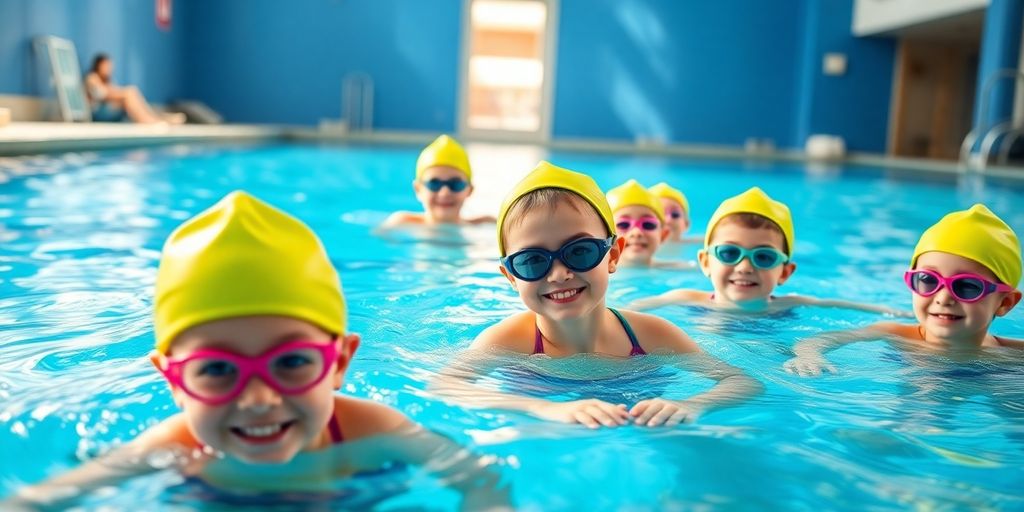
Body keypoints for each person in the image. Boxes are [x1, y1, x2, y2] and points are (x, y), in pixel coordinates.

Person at [6, 192, 508, 510]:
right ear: (172, 379)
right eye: (217, 370)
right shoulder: (175, 447)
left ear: (338, 363)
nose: (259, 399)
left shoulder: (374, 429)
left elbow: (477, 479)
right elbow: (40, 499)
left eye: (291, 362)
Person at [430, 162, 761, 428]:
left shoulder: (651, 335)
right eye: (532, 261)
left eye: (580, 251)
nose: (559, 274)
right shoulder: (509, 340)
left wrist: (691, 404)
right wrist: (542, 408)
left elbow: (741, 382)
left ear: (613, 255)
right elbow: (444, 385)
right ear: (511, 277)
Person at [784, 204, 1024, 376]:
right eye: (928, 280)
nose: (943, 298)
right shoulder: (894, 334)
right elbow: (820, 340)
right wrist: (809, 355)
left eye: (967, 286)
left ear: (1005, 302)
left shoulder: (1011, 354)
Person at [628, 187, 909, 316]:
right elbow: (628, 311)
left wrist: (895, 312)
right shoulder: (684, 300)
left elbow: (840, 305)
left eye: (763, 257)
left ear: (785, 272)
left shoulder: (787, 306)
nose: (744, 267)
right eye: (729, 253)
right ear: (705, 262)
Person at [381, 135, 495, 228]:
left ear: (470, 190)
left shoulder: (486, 226)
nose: (444, 192)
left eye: (455, 184)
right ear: (418, 189)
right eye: (434, 184)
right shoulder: (401, 223)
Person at [605, 179, 691, 268]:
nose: (636, 232)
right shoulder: (597, 273)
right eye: (623, 224)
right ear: (604, 235)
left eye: (648, 225)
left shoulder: (679, 268)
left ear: (663, 235)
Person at [84, 53, 184, 124]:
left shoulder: (109, 80)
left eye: (110, 66)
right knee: (130, 92)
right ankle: (150, 120)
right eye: (106, 65)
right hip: (98, 114)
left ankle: (156, 118)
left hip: (111, 110)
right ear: (99, 65)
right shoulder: (92, 78)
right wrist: (124, 93)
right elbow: (102, 95)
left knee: (130, 95)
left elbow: (113, 94)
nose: (109, 68)